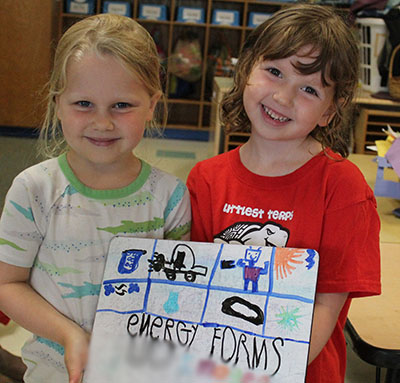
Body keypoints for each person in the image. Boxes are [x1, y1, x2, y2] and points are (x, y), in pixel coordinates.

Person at [187, 4, 380, 383]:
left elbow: (327, 304)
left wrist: (263, 371)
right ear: (246, 71)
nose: (283, 97)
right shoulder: (205, 178)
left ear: (330, 111)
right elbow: (196, 290)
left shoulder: (344, 188)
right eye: (274, 71)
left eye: (309, 88)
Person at [0, 13, 191, 383]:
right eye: (83, 104)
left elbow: (179, 295)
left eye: (122, 106)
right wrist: (69, 335)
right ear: (58, 102)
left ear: (152, 104)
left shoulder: (171, 197)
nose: (102, 122)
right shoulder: (35, 190)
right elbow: (7, 284)